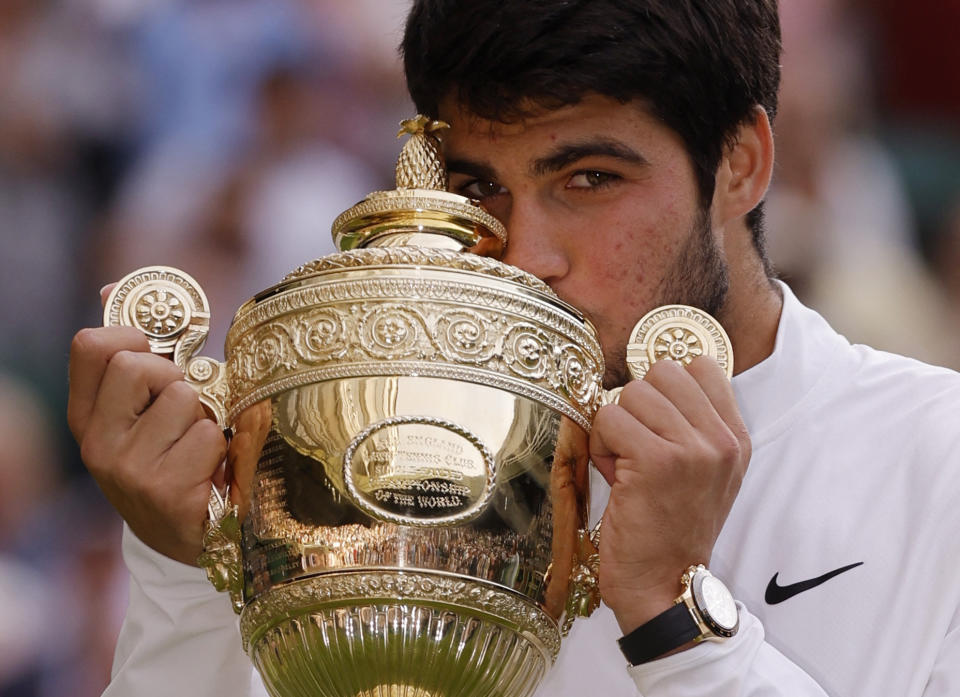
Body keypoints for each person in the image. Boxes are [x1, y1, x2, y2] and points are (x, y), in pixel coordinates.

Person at [67, 1, 960, 695]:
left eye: (588, 179)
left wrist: (673, 619)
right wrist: (188, 571)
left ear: (741, 164)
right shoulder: (371, 454)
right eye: (476, 187)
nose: (524, 253)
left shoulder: (936, 456)